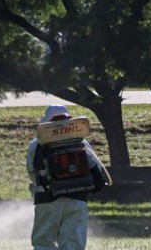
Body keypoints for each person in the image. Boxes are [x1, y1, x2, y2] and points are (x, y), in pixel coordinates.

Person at [27, 104, 109, 250]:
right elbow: (95, 170)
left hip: (46, 199)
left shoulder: (36, 144)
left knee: (43, 243)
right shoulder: (81, 142)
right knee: (73, 245)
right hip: (77, 199)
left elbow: (32, 173)